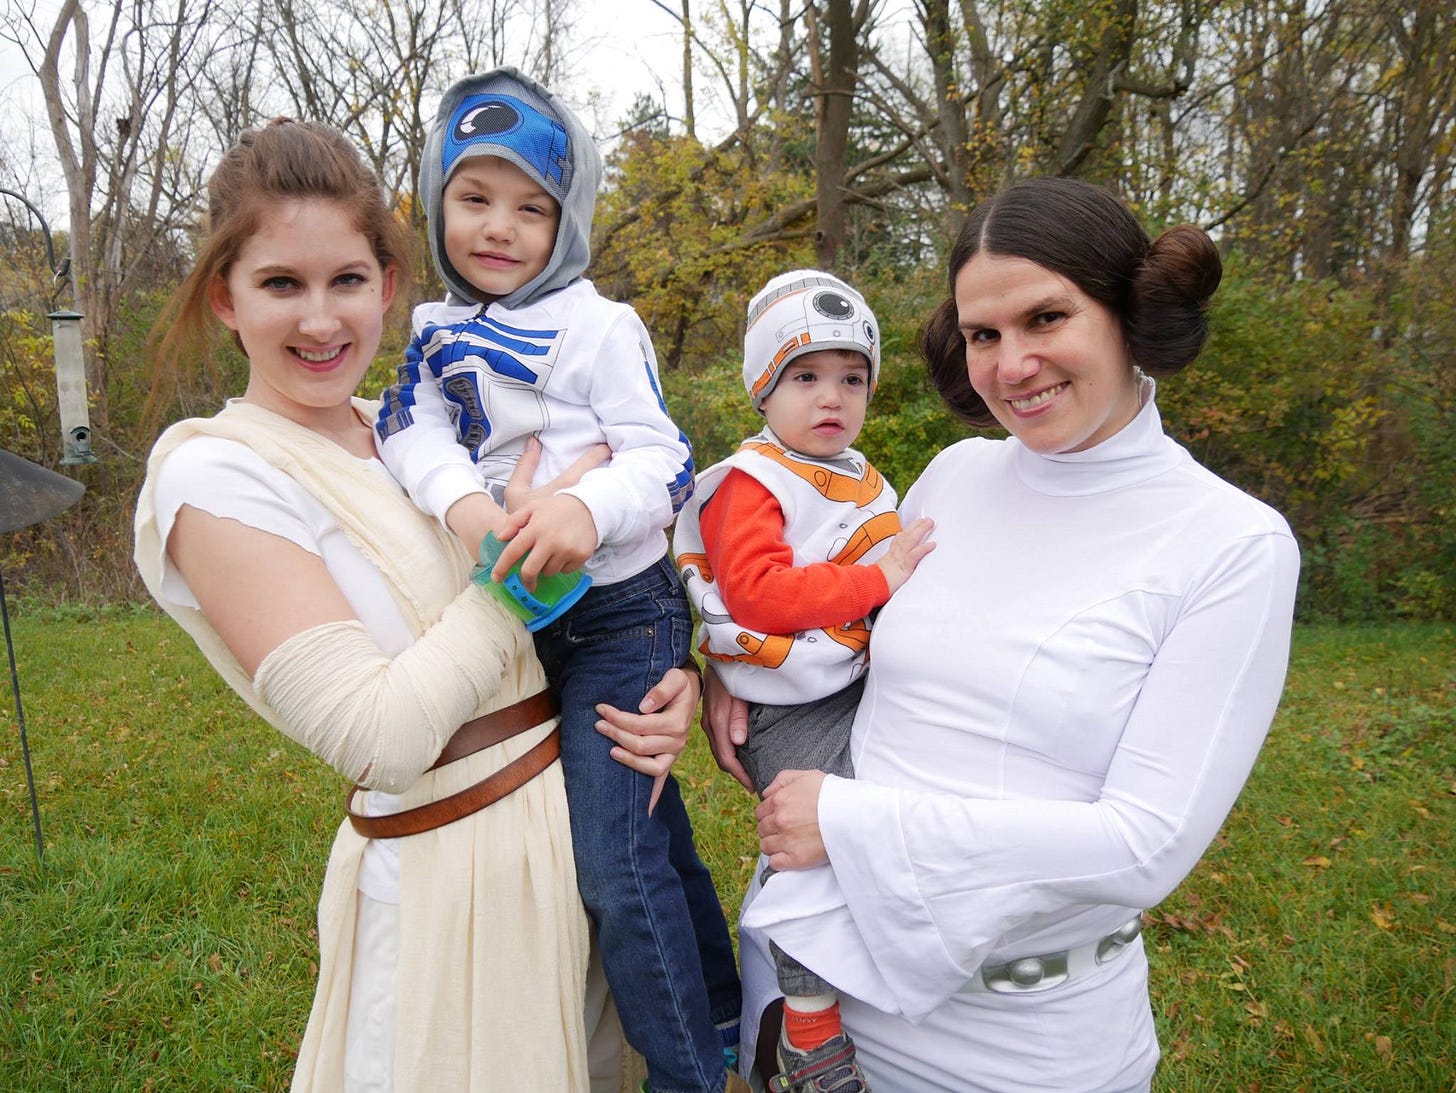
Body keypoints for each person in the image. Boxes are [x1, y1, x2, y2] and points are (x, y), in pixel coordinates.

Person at [133, 117, 707, 1092]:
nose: (321, 320)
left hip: (566, 838)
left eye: (346, 281)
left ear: (389, 284)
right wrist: (520, 568)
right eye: (282, 284)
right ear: (223, 296)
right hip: (449, 878)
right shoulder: (215, 473)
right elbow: (381, 737)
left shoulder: (413, 426)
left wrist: (661, 674)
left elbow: (617, 529)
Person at [705, 178, 1302, 1091]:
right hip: (811, 992)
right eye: (985, 334)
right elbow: (853, 638)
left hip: (1015, 1042)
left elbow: (1144, 844)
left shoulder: (1231, 543)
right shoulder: (953, 475)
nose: (1012, 364)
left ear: (1126, 313)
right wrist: (728, 673)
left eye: (1046, 318)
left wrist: (850, 819)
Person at [372, 69, 743, 1093]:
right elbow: (408, 424)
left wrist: (586, 510)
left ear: (566, 220)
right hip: (518, 618)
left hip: (621, 614)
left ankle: (684, 1077)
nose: (500, 227)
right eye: (474, 198)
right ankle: (718, 1010)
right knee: (648, 832)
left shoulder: (599, 326)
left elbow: (663, 459)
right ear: (436, 201)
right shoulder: (431, 335)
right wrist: (469, 507)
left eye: (531, 207)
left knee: (617, 867)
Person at [673, 271, 934, 1091]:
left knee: (889, 803)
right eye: (806, 375)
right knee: (822, 827)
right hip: (785, 705)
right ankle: (808, 1028)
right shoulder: (754, 480)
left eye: (852, 377)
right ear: (764, 385)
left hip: (843, 682)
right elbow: (757, 592)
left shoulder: (854, 475)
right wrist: (877, 580)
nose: (833, 397)